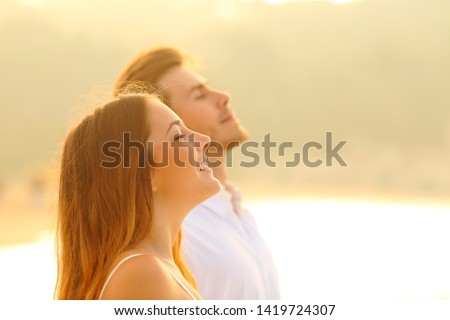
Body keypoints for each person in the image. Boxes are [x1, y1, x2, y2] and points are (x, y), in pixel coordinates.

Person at [113, 47, 280, 299]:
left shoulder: (238, 213)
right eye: (199, 95)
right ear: (167, 120)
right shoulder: (175, 232)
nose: (223, 97)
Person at [55, 93, 220, 299]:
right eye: (177, 136)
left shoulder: (159, 269)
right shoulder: (143, 275)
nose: (204, 140)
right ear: (144, 175)